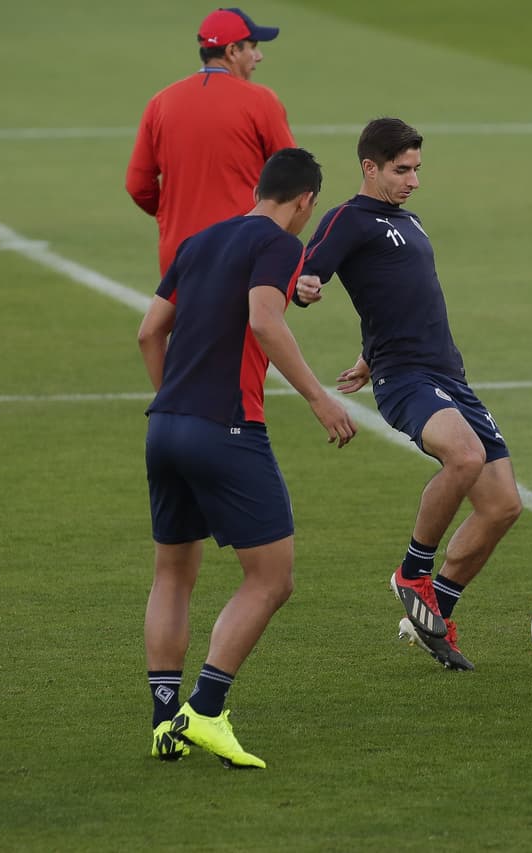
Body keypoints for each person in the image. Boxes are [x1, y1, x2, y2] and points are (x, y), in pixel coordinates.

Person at [137, 147, 357, 768]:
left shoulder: (201, 240)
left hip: (166, 427)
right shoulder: (281, 244)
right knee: (271, 578)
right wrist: (319, 400)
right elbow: (264, 319)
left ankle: (164, 719)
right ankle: (205, 710)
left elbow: (150, 330)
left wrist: (173, 404)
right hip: (228, 428)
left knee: (173, 575)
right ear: (306, 201)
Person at [293, 118, 523, 672]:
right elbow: (304, 274)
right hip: (409, 380)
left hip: (449, 375)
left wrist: (367, 356)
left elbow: (401, 297)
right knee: (464, 457)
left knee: (502, 506)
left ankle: (434, 614)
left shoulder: (409, 222)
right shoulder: (347, 219)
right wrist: (303, 288)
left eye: (417, 169)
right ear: (370, 167)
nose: (414, 180)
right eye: (402, 170)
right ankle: (412, 572)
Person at [126, 7, 296, 276]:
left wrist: (172, 216)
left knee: (185, 320)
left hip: (178, 252)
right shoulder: (261, 101)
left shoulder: (160, 102)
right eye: (252, 47)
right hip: (241, 250)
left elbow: (138, 186)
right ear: (231, 51)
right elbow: (294, 178)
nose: (259, 56)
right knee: (253, 319)